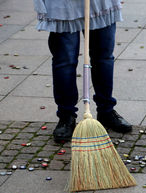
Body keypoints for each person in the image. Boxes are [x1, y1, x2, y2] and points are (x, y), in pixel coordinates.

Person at [33, 0, 132, 143]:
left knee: (103, 56)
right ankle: (66, 116)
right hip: (64, 7)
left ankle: (106, 111)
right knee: (65, 61)